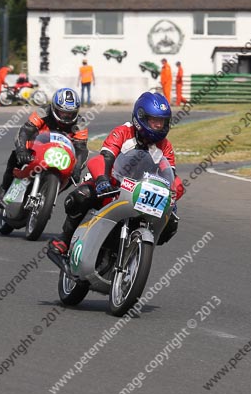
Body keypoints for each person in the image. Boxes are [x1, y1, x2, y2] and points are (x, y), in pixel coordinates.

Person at [47, 91, 184, 267]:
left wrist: (173, 195)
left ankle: (137, 250)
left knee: (171, 223)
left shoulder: (165, 146)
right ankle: (64, 240)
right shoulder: (122, 132)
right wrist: (103, 179)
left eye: (162, 121)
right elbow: (105, 157)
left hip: (141, 191)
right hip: (112, 183)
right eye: (154, 121)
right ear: (140, 117)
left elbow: (170, 175)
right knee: (82, 196)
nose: (158, 125)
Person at [0, 88, 88, 204]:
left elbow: (81, 148)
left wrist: (77, 168)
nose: (66, 116)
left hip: (62, 155)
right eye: (62, 112)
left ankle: (51, 194)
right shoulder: (43, 112)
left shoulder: (80, 123)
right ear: (54, 107)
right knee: (15, 155)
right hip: (38, 148)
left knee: (75, 172)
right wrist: (21, 150)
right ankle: (4, 188)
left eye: (70, 113)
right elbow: (25, 130)